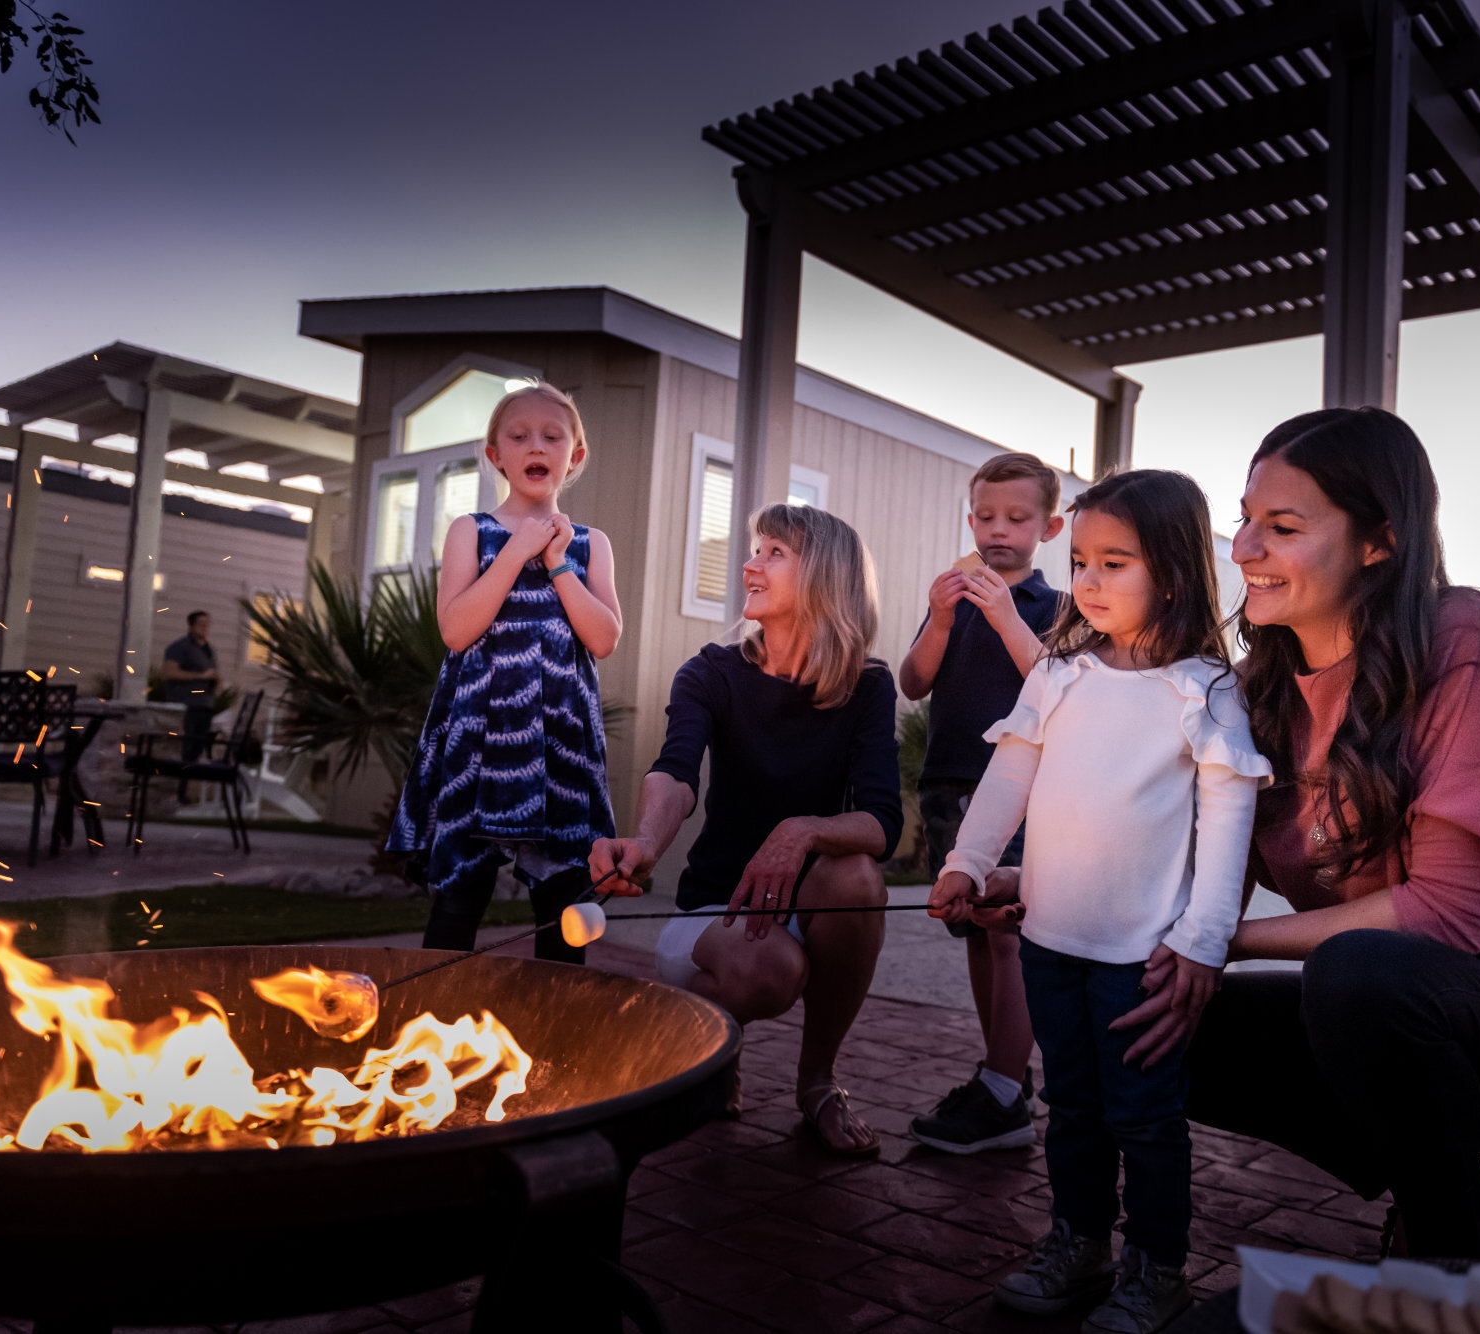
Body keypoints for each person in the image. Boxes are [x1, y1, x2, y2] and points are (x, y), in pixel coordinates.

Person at [1115, 407, 1480, 1261]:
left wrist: (1222, 939)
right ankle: (1450, 1191)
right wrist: (1051, 897)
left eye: (1283, 527)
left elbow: (1444, 918)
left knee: (1360, 972)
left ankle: (1440, 1259)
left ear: (1380, 541)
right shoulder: (1252, 691)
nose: (1242, 549)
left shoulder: (1459, 637)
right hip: (1410, 1025)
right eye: (1245, 519)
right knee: (1147, 1010)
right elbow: (1192, 876)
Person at [932, 469, 1271, 1333]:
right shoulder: (1060, 673)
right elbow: (1013, 770)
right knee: (1073, 1108)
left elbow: (1229, 816)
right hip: (1048, 940)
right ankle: (1079, 1241)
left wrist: (1204, 938)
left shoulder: (1205, 690)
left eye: (1114, 562)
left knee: (1147, 1120)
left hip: (1145, 959)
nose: (1086, 580)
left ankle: (1157, 1267)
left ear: (1174, 574)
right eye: (1081, 560)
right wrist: (968, 861)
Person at [590, 504, 900, 1158]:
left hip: (805, 904)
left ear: (825, 576)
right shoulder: (711, 672)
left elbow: (881, 823)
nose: (749, 564)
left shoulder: (868, 686)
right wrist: (645, 843)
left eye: (774, 552)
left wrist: (801, 831)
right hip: (716, 910)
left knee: (857, 874)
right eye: (756, 548)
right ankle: (708, 1042)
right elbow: (675, 774)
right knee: (770, 971)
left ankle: (818, 1084)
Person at [386, 381, 622, 965]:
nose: (535, 445)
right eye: (518, 437)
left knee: (564, 906)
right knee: (459, 897)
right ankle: (434, 1022)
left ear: (576, 456)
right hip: (481, 740)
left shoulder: (591, 544)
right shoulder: (472, 531)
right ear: (496, 456)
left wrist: (557, 561)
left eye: (552, 435)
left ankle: (557, 1037)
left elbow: (604, 637)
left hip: (560, 743)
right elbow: (456, 630)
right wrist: (516, 553)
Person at [898, 451, 1064, 1155]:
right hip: (948, 781)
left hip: (1020, 790)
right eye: (986, 517)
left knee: (1008, 931)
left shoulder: (1059, 606)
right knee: (972, 925)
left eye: (1017, 518)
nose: (999, 531)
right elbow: (912, 681)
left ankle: (1001, 1086)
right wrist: (940, 618)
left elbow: (1053, 687)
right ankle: (1006, 1073)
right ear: (970, 520)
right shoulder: (954, 599)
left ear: (1049, 527)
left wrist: (1003, 614)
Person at [162, 610, 220, 802]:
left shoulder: (209, 650)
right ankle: (177, 792)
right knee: (183, 749)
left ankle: (183, 790)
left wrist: (214, 682)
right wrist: (200, 676)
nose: (204, 628)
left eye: (207, 624)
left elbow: (213, 674)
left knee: (196, 750)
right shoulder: (179, 647)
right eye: (200, 624)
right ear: (191, 625)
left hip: (205, 706)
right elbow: (170, 673)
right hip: (185, 706)